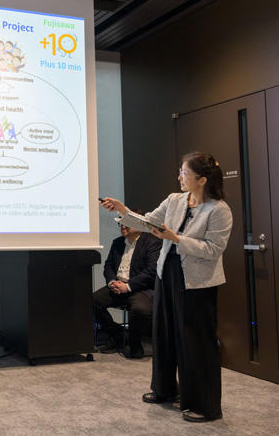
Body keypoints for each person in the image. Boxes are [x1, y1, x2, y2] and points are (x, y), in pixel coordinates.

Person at [100, 152, 232, 423]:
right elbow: (146, 222)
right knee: (164, 334)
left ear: (202, 179)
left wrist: (176, 238)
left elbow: (213, 249)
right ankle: (165, 390)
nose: (179, 177)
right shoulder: (174, 200)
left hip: (197, 282)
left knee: (195, 342)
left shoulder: (219, 209)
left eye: (184, 173)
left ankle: (205, 405)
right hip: (166, 275)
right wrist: (123, 210)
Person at [94, 214, 161, 358]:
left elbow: (151, 272)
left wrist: (128, 286)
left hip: (140, 288)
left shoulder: (152, 242)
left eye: (127, 223)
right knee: (92, 301)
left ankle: (134, 344)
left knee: (141, 309)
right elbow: (108, 266)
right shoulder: (118, 242)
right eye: (121, 223)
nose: (123, 226)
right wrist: (112, 282)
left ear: (140, 224)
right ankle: (118, 334)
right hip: (117, 286)